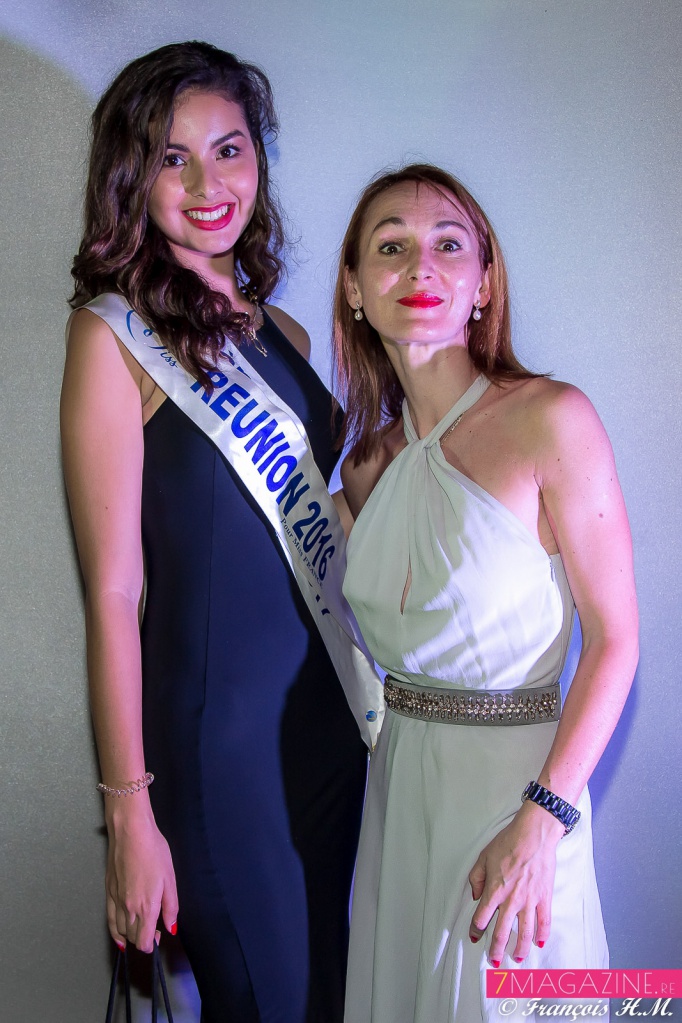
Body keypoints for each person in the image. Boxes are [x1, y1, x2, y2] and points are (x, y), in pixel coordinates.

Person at [60, 41, 368, 1023]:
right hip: (218, 760)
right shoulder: (113, 336)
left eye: (229, 150)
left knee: (334, 994)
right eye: (172, 158)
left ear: (258, 158)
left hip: (332, 733)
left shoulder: (289, 336)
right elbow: (115, 593)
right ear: (132, 176)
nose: (207, 185)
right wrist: (127, 814)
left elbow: (319, 533)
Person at [332, 164, 638, 1022]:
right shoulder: (364, 466)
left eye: (447, 245)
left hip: (523, 796)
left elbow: (617, 641)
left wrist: (543, 820)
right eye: (390, 247)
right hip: (399, 800)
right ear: (355, 289)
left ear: (483, 282)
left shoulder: (553, 418)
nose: (419, 268)